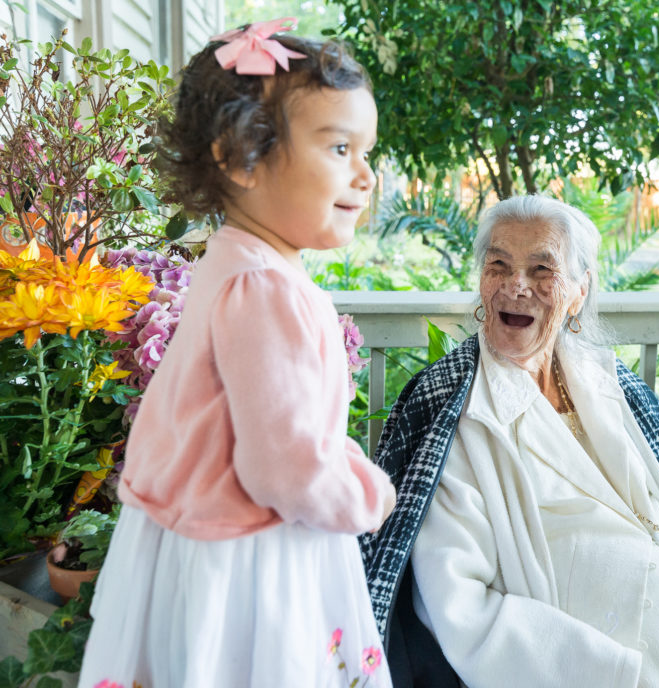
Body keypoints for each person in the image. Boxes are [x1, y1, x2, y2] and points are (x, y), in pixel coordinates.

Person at [360, 195, 659, 688]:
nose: (515, 285)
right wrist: (613, 673)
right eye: (498, 265)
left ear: (579, 292)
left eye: (542, 268)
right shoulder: (458, 411)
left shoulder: (612, 385)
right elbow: (458, 608)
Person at [78, 18, 395, 688]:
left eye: (366, 151)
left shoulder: (237, 262)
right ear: (240, 158)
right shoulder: (262, 288)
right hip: (249, 560)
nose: (365, 176)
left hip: (205, 537)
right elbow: (282, 469)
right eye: (340, 148)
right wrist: (365, 494)